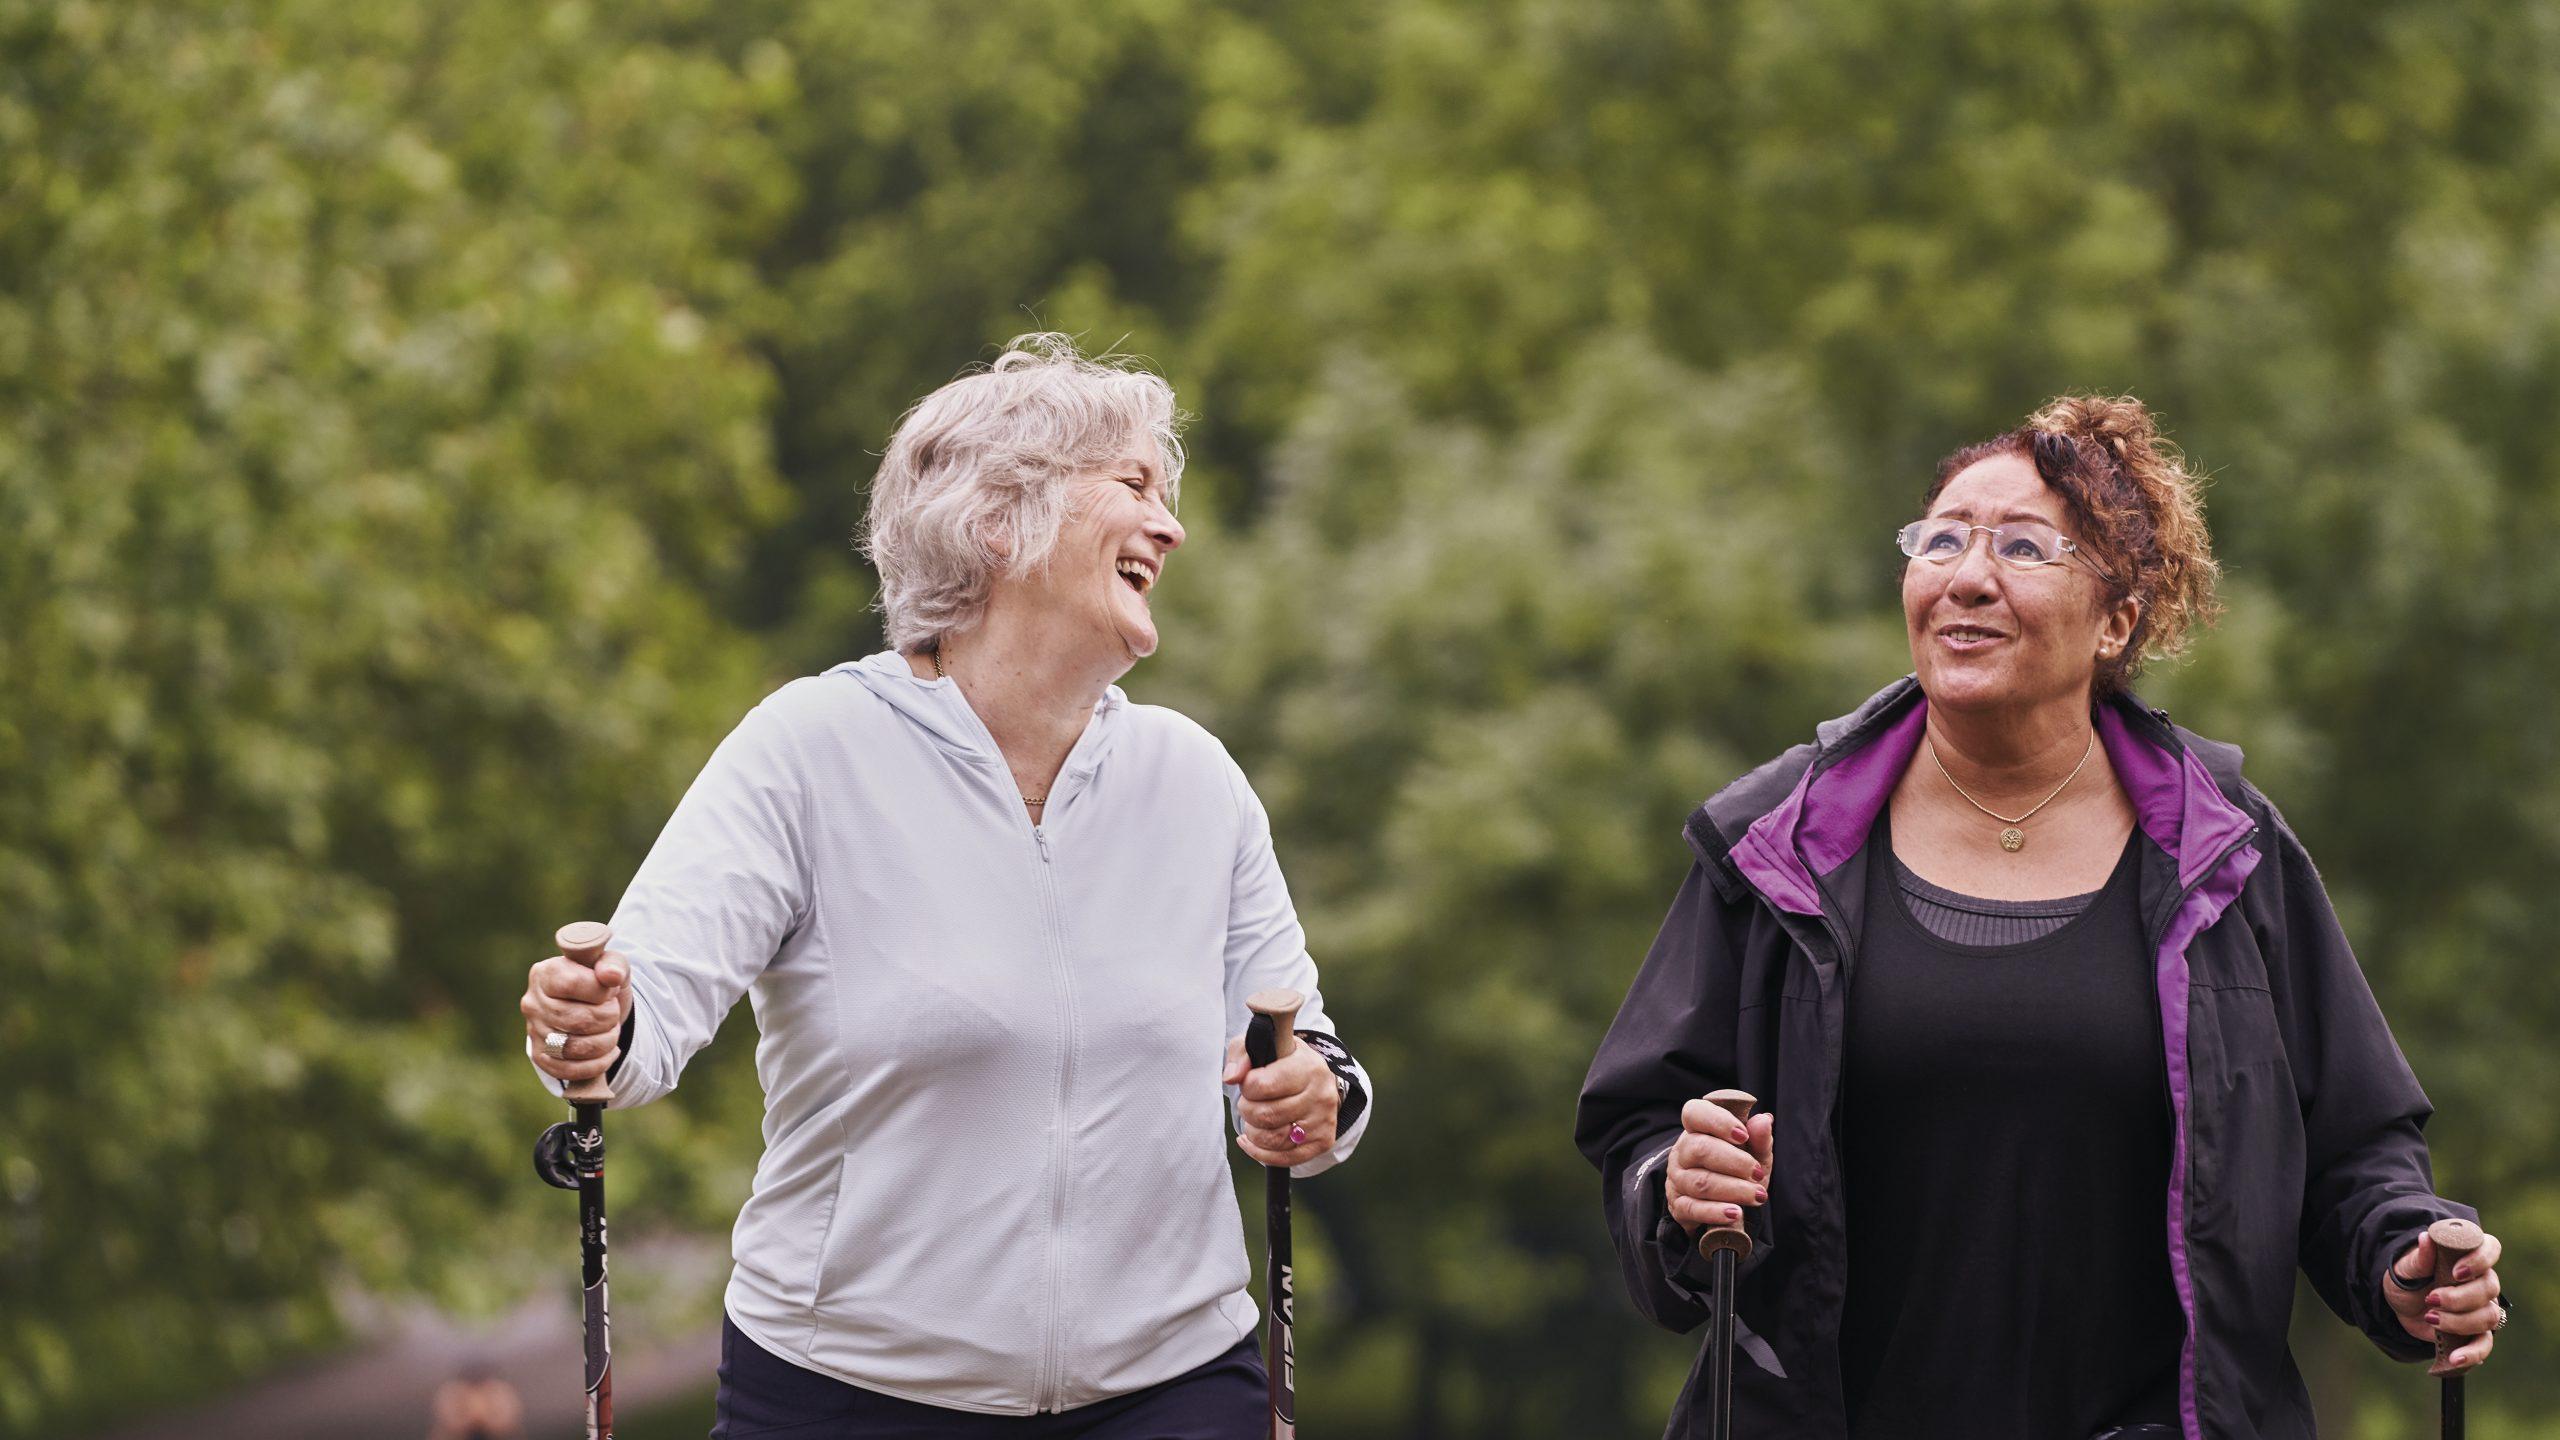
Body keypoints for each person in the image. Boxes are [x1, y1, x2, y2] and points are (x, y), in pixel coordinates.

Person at [1576, 397, 2506, 1439]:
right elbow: (1642, 1122)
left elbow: (2354, 1144)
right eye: (1940, 540)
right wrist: (1674, 1185)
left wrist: (2405, 1253)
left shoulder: (2227, 851)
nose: (1967, 576)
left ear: (2116, 620)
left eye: (2022, 546)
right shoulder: (1774, 845)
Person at [519, 335, 1372, 1439]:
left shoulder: (1193, 781)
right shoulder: (810, 749)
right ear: (994, 522)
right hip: (848, 1397)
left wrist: (1311, 1101)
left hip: (1174, 1384)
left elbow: (1308, 1062)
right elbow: (638, 1018)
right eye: (1131, 486)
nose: (1171, 526)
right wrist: (584, 1025)